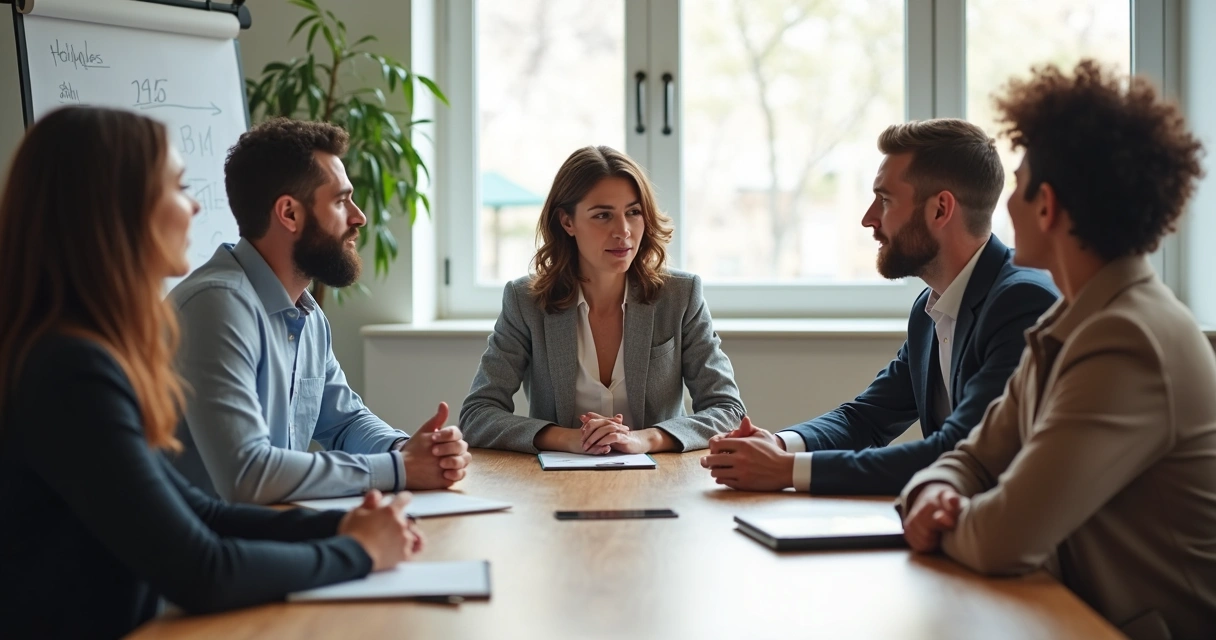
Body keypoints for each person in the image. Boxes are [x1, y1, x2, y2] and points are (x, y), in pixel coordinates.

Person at [0, 107, 424, 639]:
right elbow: (202, 569)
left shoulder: (89, 353)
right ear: (116, 211)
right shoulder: (69, 370)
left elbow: (196, 509)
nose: (196, 205)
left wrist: (344, 523)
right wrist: (357, 551)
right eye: (177, 187)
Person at [899, 60, 1215, 639]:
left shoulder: (1128, 340)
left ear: (1047, 206)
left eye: (1017, 186)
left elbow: (1004, 535)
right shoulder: (1072, 322)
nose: (1005, 206)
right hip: (1069, 614)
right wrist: (935, 489)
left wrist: (936, 516)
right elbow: (972, 457)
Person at [701, 119, 1058, 495]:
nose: (868, 218)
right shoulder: (930, 308)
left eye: (885, 200)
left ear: (940, 209)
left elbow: (958, 451)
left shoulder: (1022, 303)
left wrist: (788, 470)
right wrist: (779, 445)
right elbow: (867, 418)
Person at [169, 118, 471, 504]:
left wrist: (409, 449)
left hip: (264, 536)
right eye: (341, 201)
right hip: (200, 554)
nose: (359, 217)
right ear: (290, 214)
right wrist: (402, 469)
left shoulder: (307, 315)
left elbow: (345, 422)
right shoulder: (216, 306)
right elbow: (247, 475)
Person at [460, 146, 745, 454]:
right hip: (555, 481)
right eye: (603, 215)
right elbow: (477, 415)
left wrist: (643, 439)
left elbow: (728, 410)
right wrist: (570, 438)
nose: (623, 231)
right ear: (567, 222)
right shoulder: (526, 302)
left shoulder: (680, 296)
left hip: (662, 477)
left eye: (633, 212)